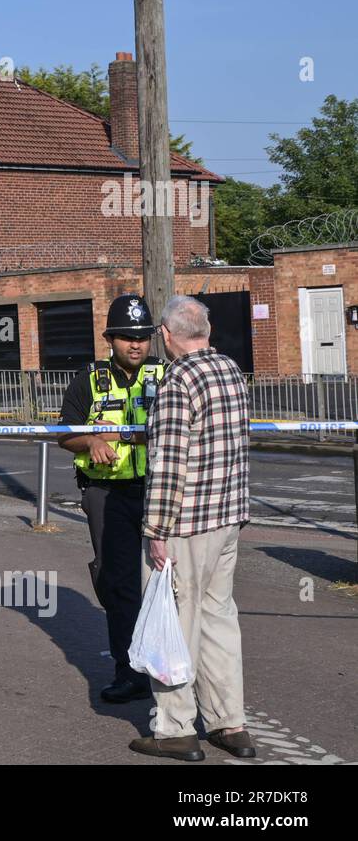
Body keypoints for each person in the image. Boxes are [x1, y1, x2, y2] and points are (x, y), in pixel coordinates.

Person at [130, 296, 254, 762]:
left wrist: (155, 530)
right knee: (220, 619)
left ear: (165, 334)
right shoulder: (230, 370)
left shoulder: (178, 380)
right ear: (205, 329)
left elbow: (167, 464)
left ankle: (174, 728)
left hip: (184, 523)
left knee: (174, 623)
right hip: (227, 516)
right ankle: (230, 723)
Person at [57, 294, 163, 704]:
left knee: (167, 582)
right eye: (125, 337)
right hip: (106, 493)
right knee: (116, 583)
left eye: (141, 337)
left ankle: (170, 666)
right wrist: (92, 439)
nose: (135, 345)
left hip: (157, 490)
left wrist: (127, 435)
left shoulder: (166, 374)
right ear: (110, 340)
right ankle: (129, 670)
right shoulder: (89, 379)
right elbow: (64, 434)